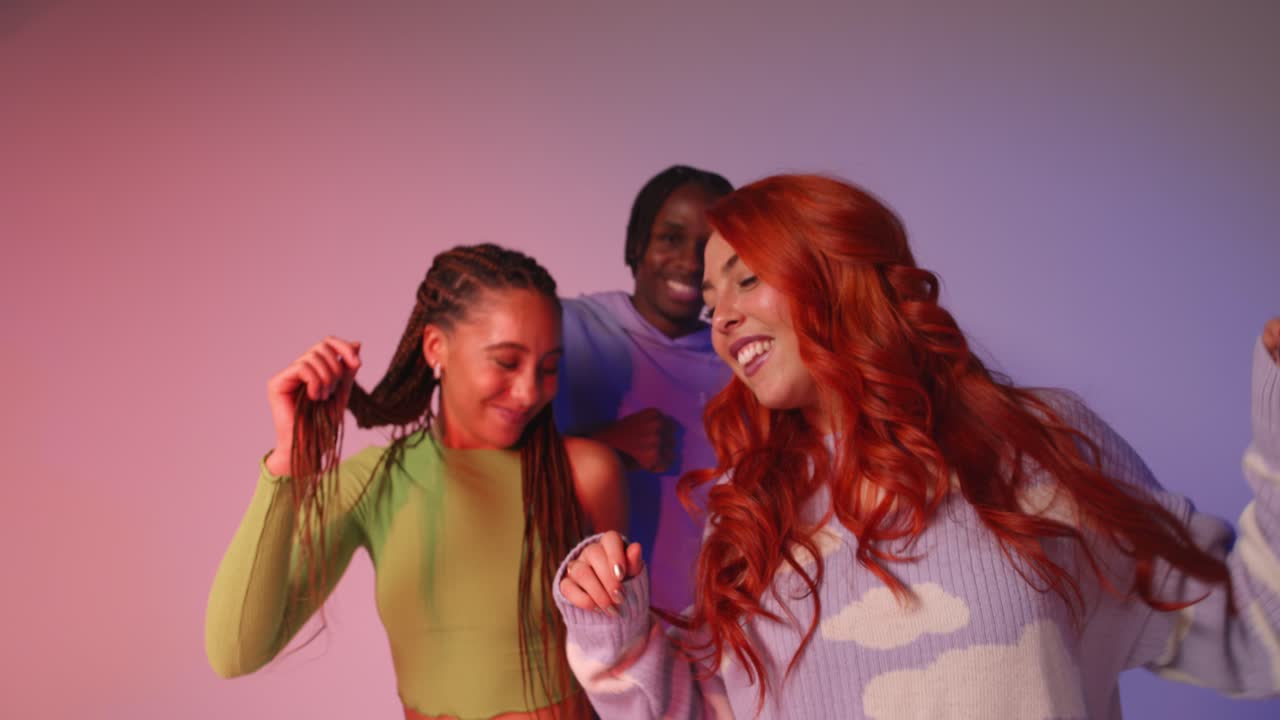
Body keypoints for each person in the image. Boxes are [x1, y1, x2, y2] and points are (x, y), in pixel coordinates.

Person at [554, 174, 1280, 718]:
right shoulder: (752, 508)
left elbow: (1254, 625)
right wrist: (615, 634)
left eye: (748, 279)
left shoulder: (1038, 448)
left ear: (837, 272)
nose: (724, 317)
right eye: (715, 300)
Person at [205, 244, 626, 720]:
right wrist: (289, 464)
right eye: (507, 362)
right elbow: (235, 651)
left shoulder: (586, 474)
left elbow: (621, 662)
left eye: (548, 368)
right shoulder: (378, 481)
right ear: (435, 348)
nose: (531, 391)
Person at [553, 165, 734, 613]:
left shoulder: (742, 357)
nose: (691, 262)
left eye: (708, 245)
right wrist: (601, 445)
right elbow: (479, 465)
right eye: (670, 238)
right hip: (585, 627)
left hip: (711, 635)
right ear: (636, 244)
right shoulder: (566, 327)